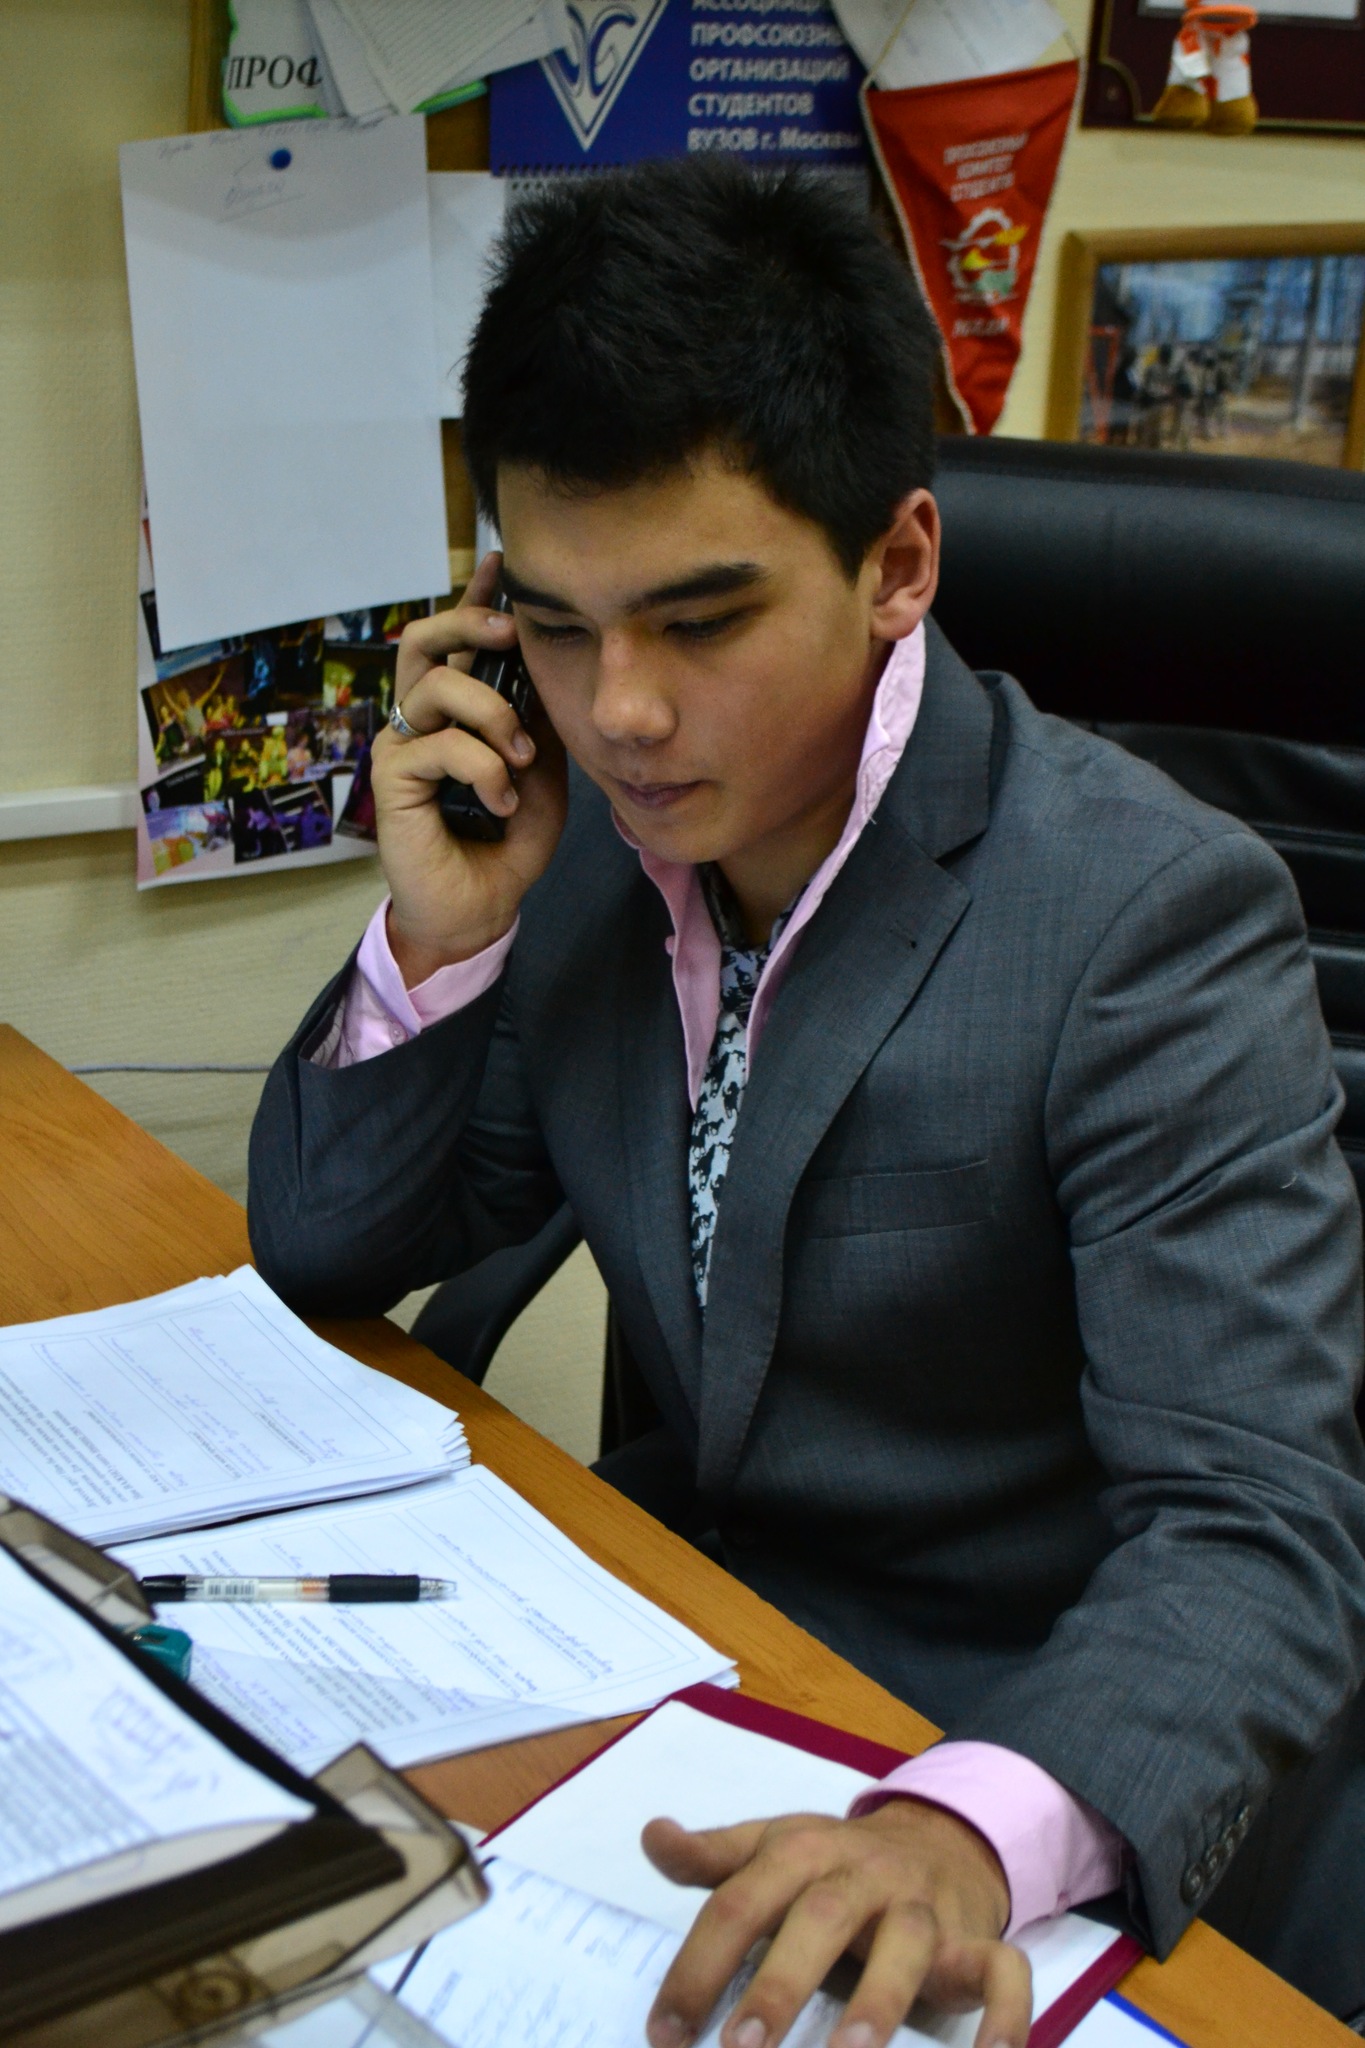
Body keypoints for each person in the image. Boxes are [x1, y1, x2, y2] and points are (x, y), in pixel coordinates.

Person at [248, 162, 1365, 2038]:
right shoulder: (588, 846)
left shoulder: (1148, 916)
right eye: (555, 625)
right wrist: (437, 937)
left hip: (1017, 1732)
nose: (619, 712)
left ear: (897, 565)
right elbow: (327, 1248)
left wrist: (962, 1832)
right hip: (683, 1656)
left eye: (699, 620)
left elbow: (1255, 1527)